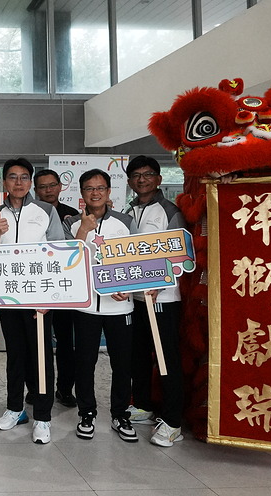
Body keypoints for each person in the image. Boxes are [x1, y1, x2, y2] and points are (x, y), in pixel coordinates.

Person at [0, 158, 65, 444]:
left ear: (30, 182)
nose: (18, 183)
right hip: (8, 296)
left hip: (39, 298)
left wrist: (50, 299)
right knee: (15, 354)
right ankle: (15, 408)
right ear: (4, 182)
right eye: (12, 177)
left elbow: (60, 252)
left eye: (24, 177)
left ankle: (42, 416)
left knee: (41, 356)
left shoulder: (45, 211)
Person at [63, 168, 139, 443]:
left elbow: (136, 259)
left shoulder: (125, 221)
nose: (95, 193)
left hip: (120, 307)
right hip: (86, 308)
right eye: (89, 188)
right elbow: (68, 261)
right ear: (81, 193)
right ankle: (87, 413)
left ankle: (120, 414)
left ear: (108, 192)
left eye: (100, 188)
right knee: (85, 363)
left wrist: (128, 286)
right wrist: (84, 229)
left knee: (122, 364)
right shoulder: (71, 222)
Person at [124, 155, 186, 447]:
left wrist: (160, 284)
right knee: (138, 354)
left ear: (159, 179)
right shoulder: (129, 211)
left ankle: (173, 422)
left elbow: (181, 253)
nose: (142, 180)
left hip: (162, 298)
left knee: (166, 358)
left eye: (148, 174)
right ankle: (143, 406)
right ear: (129, 181)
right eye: (136, 175)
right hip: (135, 298)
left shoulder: (169, 211)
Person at [33, 168, 79, 408]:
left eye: (52, 185)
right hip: (37, 289)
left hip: (64, 288)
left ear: (60, 187)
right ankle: (36, 388)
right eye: (42, 187)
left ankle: (65, 389)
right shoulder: (31, 214)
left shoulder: (73, 215)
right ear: (35, 190)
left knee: (64, 341)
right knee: (37, 343)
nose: (48, 190)